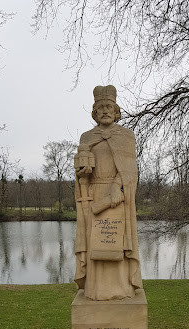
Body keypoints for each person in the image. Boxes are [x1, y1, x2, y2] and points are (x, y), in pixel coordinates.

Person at [74, 85, 142, 300]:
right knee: (94, 243)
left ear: (116, 111)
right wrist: (82, 174)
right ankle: (95, 289)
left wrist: (117, 187)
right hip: (94, 196)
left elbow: (129, 169)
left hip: (117, 198)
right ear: (94, 112)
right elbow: (82, 171)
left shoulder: (126, 136)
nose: (104, 110)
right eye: (100, 107)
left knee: (117, 242)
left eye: (108, 106)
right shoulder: (86, 137)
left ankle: (121, 289)